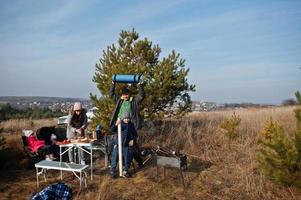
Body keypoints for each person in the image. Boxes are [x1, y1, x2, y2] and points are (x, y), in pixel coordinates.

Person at [109, 82, 145, 167]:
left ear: (129, 94)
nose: (125, 96)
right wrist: (113, 84)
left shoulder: (134, 101)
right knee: (115, 144)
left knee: (133, 145)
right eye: (124, 94)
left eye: (127, 94)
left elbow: (141, 96)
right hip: (119, 125)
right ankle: (113, 163)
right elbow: (111, 94)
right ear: (122, 95)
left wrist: (139, 85)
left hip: (130, 126)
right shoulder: (119, 100)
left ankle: (139, 162)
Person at [110, 112, 137, 178]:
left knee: (127, 158)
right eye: (125, 118)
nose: (126, 120)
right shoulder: (120, 123)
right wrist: (116, 124)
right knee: (115, 157)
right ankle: (112, 171)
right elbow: (112, 130)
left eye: (128, 118)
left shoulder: (131, 125)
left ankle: (125, 171)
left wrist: (133, 140)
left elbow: (135, 134)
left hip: (127, 144)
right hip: (118, 144)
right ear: (123, 118)